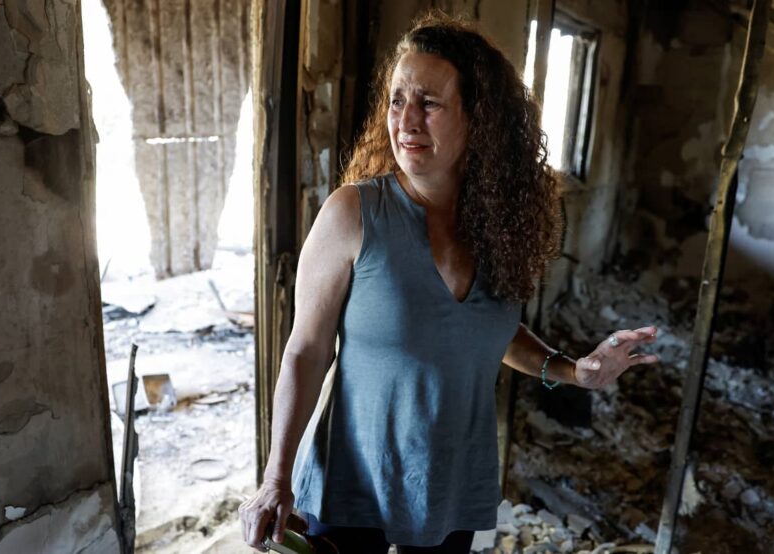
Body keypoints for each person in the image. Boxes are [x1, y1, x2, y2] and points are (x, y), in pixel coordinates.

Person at [240, 13, 659, 553]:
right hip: (352, 486)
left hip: (450, 488)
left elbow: (491, 332)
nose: (406, 121)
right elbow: (306, 349)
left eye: (429, 103)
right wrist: (276, 479)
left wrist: (576, 372)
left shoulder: (501, 225)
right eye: (396, 100)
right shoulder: (354, 214)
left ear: (477, 119)